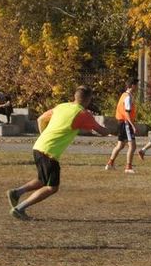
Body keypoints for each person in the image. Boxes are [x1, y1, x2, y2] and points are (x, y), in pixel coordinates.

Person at [7, 85, 108, 220]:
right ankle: (19, 209)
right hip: (49, 152)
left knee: (42, 180)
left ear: (74, 96)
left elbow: (40, 119)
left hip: (39, 146)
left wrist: (44, 136)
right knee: (52, 187)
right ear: (88, 99)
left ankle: (16, 193)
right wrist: (117, 129)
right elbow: (102, 131)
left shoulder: (62, 106)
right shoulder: (83, 114)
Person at [105, 79, 139, 173]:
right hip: (126, 123)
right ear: (132, 85)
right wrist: (132, 125)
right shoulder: (128, 97)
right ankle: (128, 167)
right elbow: (127, 112)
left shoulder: (124, 95)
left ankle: (110, 164)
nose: (137, 87)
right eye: (136, 85)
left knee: (120, 145)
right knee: (132, 146)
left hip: (122, 122)